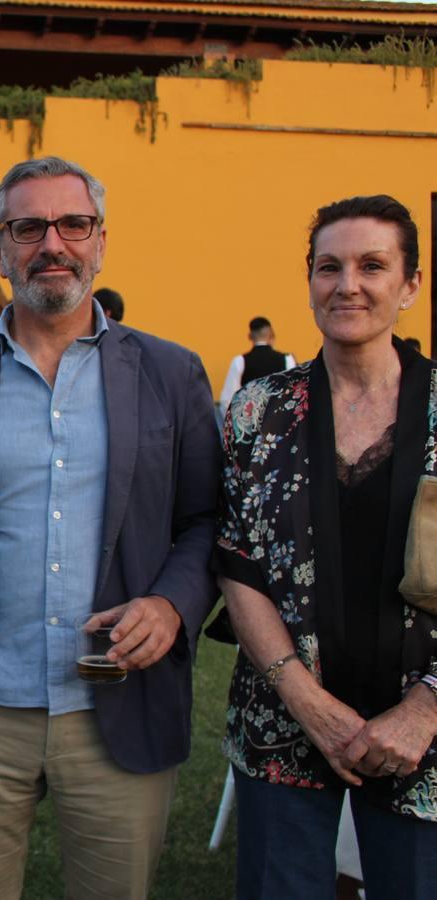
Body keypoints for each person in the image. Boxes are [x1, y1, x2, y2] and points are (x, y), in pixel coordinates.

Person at [0, 156, 221, 900]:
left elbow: (208, 518)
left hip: (119, 704)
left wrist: (172, 604)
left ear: (100, 240)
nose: (52, 243)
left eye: (72, 224)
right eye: (29, 227)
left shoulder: (171, 374)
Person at [217, 194, 437, 899]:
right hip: (282, 721)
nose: (348, 285)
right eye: (328, 266)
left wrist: (426, 708)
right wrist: (304, 698)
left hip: (426, 735)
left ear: (409, 285)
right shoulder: (259, 409)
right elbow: (237, 561)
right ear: (308, 279)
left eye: (374, 265)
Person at [217, 315, 297, 416]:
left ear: (250, 336)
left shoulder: (240, 361)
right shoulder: (287, 359)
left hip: (249, 425)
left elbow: (227, 400)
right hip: (278, 423)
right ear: (270, 334)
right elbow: (293, 395)